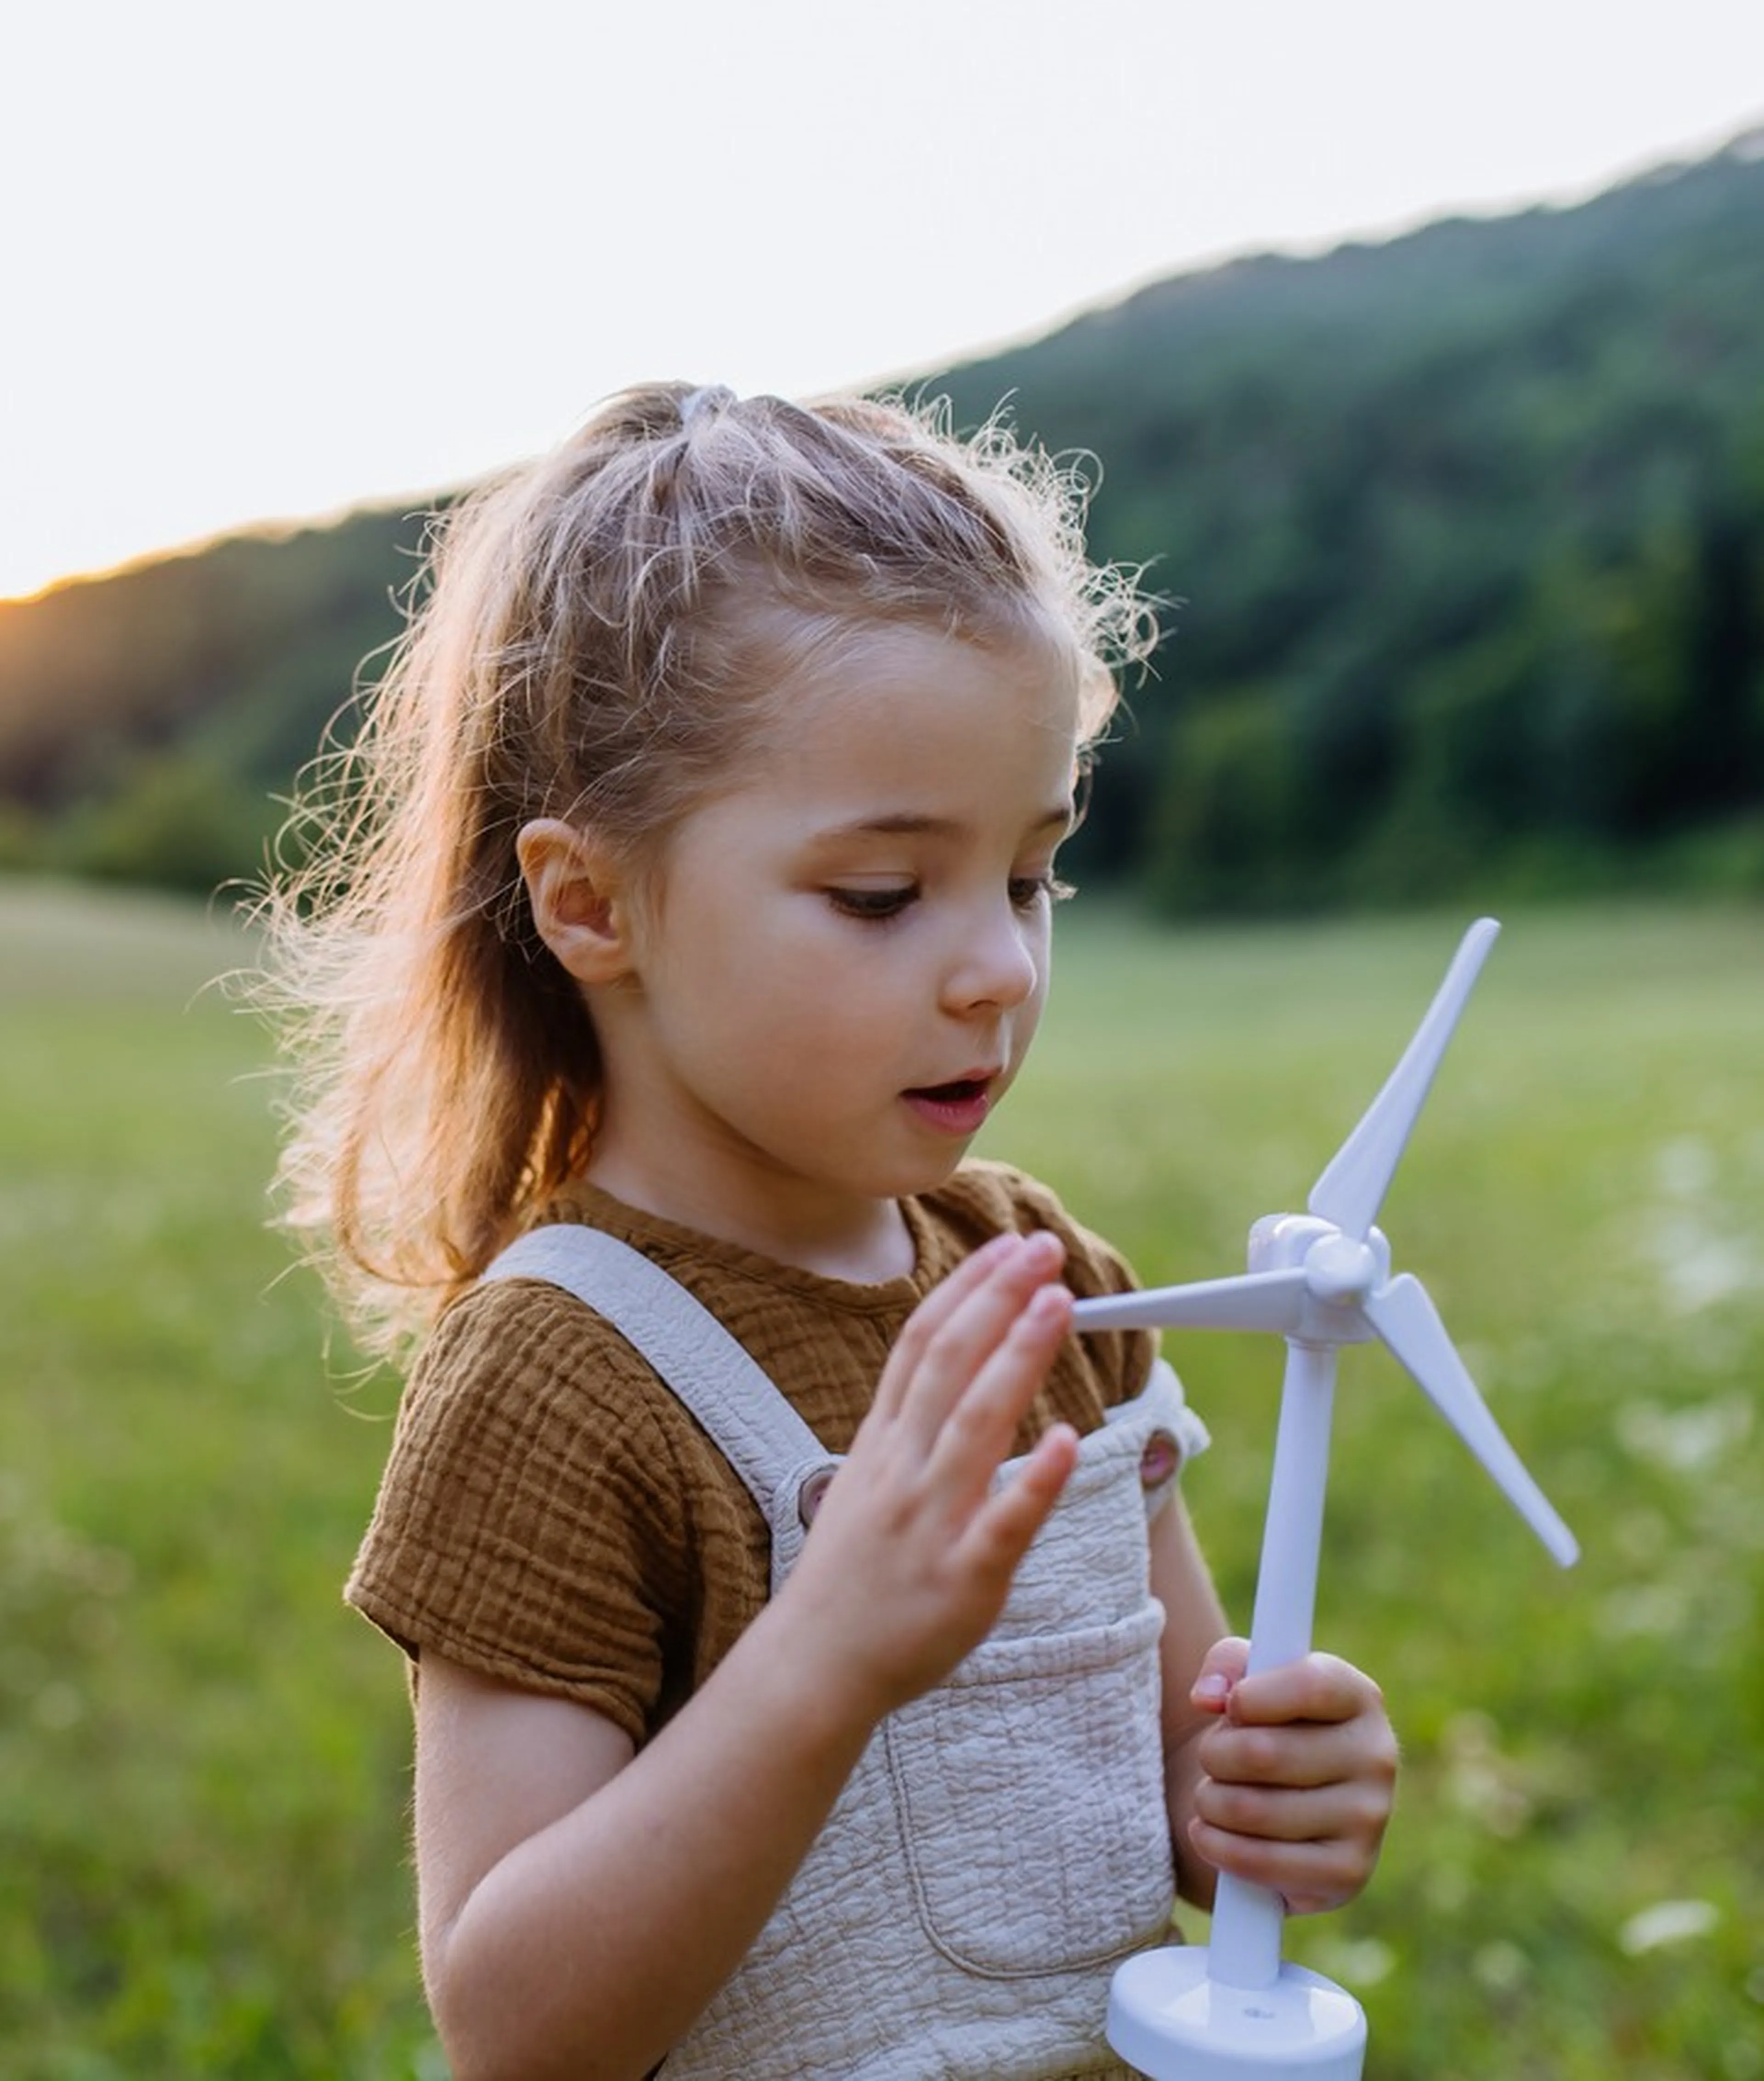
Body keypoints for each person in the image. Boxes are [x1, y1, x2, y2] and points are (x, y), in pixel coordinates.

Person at [261, 381, 1397, 2081]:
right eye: (883, 895)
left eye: (1031, 877)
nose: (1001, 968)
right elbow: (516, 2028)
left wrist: (1263, 1789)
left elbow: (1164, 1788)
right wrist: (831, 1650)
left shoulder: (1048, 1288)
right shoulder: (561, 1380)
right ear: (593, 905)